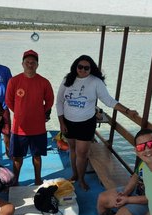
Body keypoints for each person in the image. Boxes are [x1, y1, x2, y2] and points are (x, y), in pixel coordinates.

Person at [56, 55, 138, 191]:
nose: (82, 70)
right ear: (75, 67)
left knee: (82, 153)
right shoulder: (67, 79)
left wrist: (127, 110)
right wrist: (61, 122)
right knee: (73, 150)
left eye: (86, 68)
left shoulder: (95, 82)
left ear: (91, 69)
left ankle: (81, 179)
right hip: (68, 122)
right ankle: (75, 174)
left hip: (86, 123)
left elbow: (109, 100)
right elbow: (59, 101)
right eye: (80, 67)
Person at [5, 50, 54, 186]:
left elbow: (49, 100)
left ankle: (37, 178)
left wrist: (40, 112)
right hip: (19, 128)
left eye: (33, 63)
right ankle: (15, 180)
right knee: (17, 157)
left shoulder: (44, 82)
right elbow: (8, 101)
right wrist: (20, 112)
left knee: (37, 156)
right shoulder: (14, 81)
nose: (30, 65)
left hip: (38, 127)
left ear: (37, 65)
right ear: (22, 64)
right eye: (27, 62)